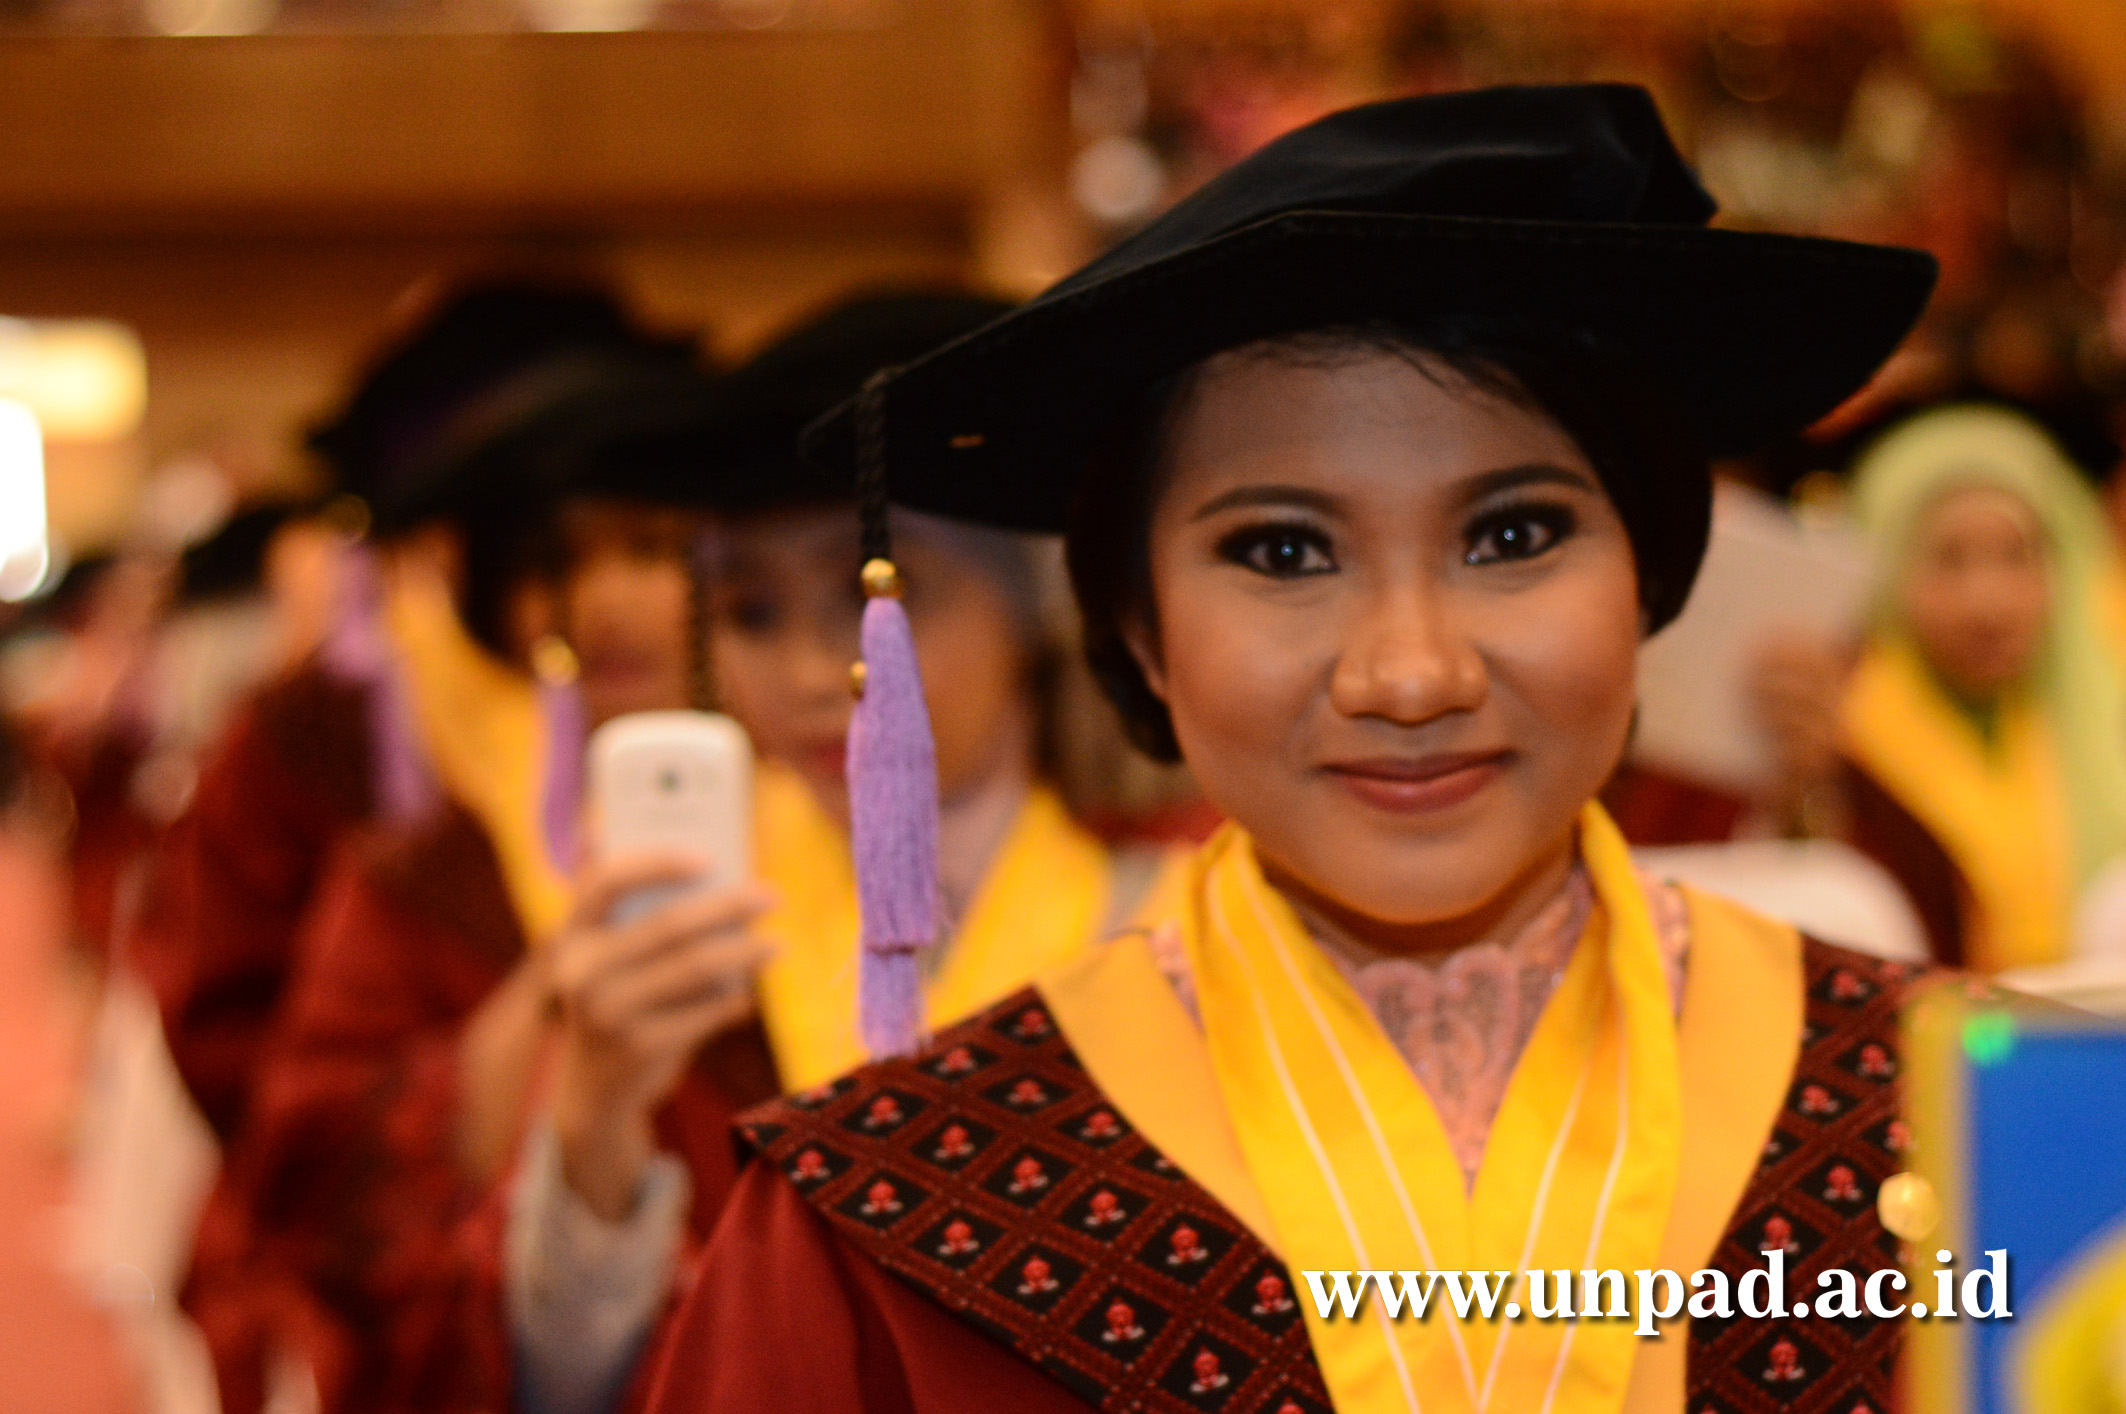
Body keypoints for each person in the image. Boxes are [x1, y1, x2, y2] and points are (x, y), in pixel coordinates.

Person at [641, 85, 1949, 1414]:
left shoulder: (1947, 1115)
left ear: (1647, 580)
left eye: (1509, 535)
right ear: (1139, 628)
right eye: (1281, 551)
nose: (1410, 675)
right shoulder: (895, 1206)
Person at [502, 291, 1178, 1414]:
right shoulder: (690, 938)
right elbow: (570, 1387)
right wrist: (593, 1125)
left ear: (1035, 607)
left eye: (881, 597)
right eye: (753, 613)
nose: (819, 672)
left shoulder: (1177, 909)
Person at [146, 283, 701, 1414]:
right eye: (556, 560)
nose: (608, 602)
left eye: (654, 548)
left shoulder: (810, 793)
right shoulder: (385, 807)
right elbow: (260, 1066)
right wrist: (507, 1058)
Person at [1756, 404, 2126, 970]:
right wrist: (1803, 784)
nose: (1987, 603)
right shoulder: (1823, 730)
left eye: (2018, 557)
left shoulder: (2102, 713)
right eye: (1948, 560)